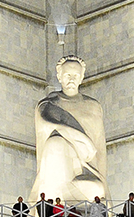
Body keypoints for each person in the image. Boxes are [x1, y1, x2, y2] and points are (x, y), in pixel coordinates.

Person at [28, 56, 110, 203]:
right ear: (59, 76)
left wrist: (106, 192)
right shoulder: (48, 105)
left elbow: (100, 151)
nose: (71, 80)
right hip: (57, 174)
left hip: (85, 174)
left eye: (75, 76)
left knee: (97, 189)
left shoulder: (93, 106)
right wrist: (79, 138)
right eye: (67, 75)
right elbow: (46, 123)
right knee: (55, 143)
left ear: (81, 78)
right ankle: (55, 201)